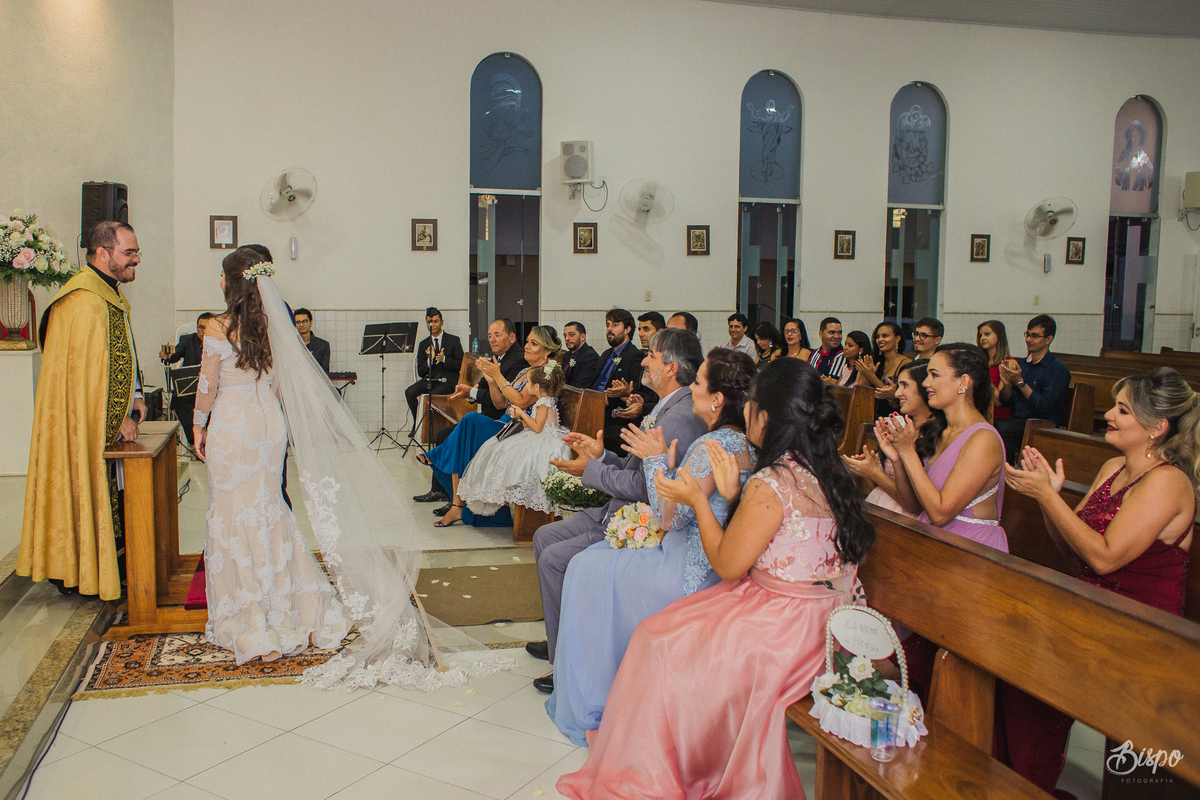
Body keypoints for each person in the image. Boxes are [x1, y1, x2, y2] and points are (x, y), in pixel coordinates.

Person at [191, 247, 512, 688]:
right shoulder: (271, 325)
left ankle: (250, 613)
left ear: (230, 282)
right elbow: (283, 382)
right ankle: (292, 605)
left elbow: (207, 384)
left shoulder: (218, 326)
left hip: (234, 422)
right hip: (268, 425)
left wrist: (198, 424)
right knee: (269, 509)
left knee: (234, 512)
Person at [557, 358, 875, 799]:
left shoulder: (773, 479)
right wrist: (728, 495)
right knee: (671, 630)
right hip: (832, 614)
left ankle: (678, 761)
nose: (746, 412)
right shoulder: (825, 469)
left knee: (658, 639)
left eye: (753, 406)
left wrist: (698, 500)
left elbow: (727, 565)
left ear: (766, 415)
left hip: (789, 626)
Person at [999, 367, 1195, 793]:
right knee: (1019, 682)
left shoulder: (1168, 482)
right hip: (1092, 615)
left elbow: (1104, 559)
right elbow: (1076, 553)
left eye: (1122, 410)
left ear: (1157, 427)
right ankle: (1024, 784)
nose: (1108, 414)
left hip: (1142, 635)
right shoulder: (1111, 467)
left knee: (1135, 775)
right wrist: (1050, 502)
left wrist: (1050, 497)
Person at [546, 348, 757, 744]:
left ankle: (601, 694)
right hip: (706, 556)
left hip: (686, 568)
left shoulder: (712, 445)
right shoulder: (735, 440)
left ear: (717, 399)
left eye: (698, 382)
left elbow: (668, 517)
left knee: (585, 569)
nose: (691, 387)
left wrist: (655, 460)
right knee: (591, 561)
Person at [528, 329, 707, 691]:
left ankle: (569, 663)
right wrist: (600, 455)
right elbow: (636, 466)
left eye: (651, 356)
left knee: (554, 559)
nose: (643, 360)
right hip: (616, 507)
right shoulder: (666, 405)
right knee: (543, 535)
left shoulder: (679, 417)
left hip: (639, 520)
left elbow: (651, 487)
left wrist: (591, 471)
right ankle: (561, 639)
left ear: (670, 367)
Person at [19, 220, 147, 599]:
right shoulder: (83, 302)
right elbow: (86, 381)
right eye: (129, 253)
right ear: (102, 253)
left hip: (108, 422)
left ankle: (107, 565)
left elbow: (118, 358)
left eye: (137, 252)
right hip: (84, 426)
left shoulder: (108, 295)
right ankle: (79, 569)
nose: (136, 260)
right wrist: (117, 417)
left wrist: (135, 396)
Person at [875, 343, 1007, 703]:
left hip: (968, 553)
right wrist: (898, 460)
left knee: (936, 658)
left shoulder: (982, 439)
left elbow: (942, 510)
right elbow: (913, 502)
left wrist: (907, 451)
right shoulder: (943, 430)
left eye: (934, 374)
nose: (927, 383)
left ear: (964, 382)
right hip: (936, 544)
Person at [423, 325, 558, 527]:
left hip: (520, 429)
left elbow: (521, 402)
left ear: (547, 350)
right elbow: (501, 403)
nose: (527, 346)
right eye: (528, 341)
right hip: (505, 423)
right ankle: (457, 505)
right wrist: (493, 383)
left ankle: (452, 490)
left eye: (534, 343)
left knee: (470, 421)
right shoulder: (525, 370)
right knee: (469, 426)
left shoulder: (544, 373)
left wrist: (498, 376)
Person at [411, 317, 527, 507]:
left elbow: (503, 400)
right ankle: (442, 491)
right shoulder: (497, 357)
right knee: (443, 433)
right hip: (488, 416)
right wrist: (468, 391)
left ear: (512, 337)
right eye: (490, 336)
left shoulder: (518, 360)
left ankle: (454, 496)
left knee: (451, 434)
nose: (492, 340)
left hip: (500, 421)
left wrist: (473, 392)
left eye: (498, 335)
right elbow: (481, 387)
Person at [458, 361, 570, 517]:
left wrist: (521, 414)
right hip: (539, 434)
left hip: (546, 439)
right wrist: (520, 421)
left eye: (529, 383)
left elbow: (537, 427)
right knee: (500, 447)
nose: (527, 387)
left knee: (511, 453)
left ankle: (513, 499)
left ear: (536, 387)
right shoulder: (543, 400)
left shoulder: (544, 402)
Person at [843, 359, 931, 517]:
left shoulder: (935, 436)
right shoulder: (898, 426)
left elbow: (914, 505)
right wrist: (868, 468)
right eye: (898, 386)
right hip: (878, 506)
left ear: (925, 388)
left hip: (906, 520)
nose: (897, 393)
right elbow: (878, 485)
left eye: (905, 386)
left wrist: (874, 472)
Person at [995, 314, 1072, 463]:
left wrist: (1020, 383)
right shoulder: (1023, 364)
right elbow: (1006, 400)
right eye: (1027, 335)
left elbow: (1044, 406)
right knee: (987, 423)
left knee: (1004, 429)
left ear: (1049, 339)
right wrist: (1007, 384)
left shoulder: (1057, 369)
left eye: (1035, 336)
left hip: (1042, 425)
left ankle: (1008, 475)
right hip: (1018, 420)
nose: (1029, 340)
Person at [591, 308, 645, 454]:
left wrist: (608, 399)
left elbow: (636, 393)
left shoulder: (635, 356)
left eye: (615, 325)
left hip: (614, 417)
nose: (609, 329)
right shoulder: (606, 354)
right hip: (593, 410)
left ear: (628, 329)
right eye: (608, 325)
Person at [404, 307, 464, 435]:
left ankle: (432, 429)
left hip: (448, 381)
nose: (432, 324)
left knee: (434, 396)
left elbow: (461, 365)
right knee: (410, 392)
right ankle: (418, 424)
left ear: (442, 322)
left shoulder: (453, 340)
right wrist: (429, 360)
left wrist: (444, 359)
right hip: (431, 379)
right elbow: (421, 372)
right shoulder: (423, 344)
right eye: (429, 322)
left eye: (435, 321)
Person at [161, 312, 212, 446]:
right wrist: (169, 356)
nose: (204, 331)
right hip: (191, 390)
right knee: (179, 399)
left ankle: (211, 440)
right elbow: (176, 355)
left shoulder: (218, 343)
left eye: (207, 327)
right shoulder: (187, 340)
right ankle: (195, 439)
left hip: (211, 390)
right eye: (201, 327)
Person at [856, 321, 910, 417]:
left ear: (897, 338)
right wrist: (865, 374)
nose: (880, 340)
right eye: (878, 337)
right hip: (871, 414)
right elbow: (861, 391)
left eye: (885, 336)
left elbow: (893, 400)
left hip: (894, 415)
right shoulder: (875, 361)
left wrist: (871, 376)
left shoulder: (905, 364)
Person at [977, 319, 1017, 423]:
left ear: (999, 336)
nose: (983, 338)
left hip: (998, 417)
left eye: (987, 334)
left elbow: (999, 401)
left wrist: (985, 376)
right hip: (979, 414)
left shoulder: (1008, 362)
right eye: (981, 335)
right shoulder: (980, 361)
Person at [808, 316, 849, 384]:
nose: (837, 336)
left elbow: (832, 385)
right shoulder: (815, 353)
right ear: (821, 334)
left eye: (839, 333)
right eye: (832, 332)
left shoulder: (842, 355)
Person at [562, 320, 600, 389]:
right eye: (565, 336)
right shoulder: (567, 355)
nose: (567, 338)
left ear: (582, 336)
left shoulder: (590, 356)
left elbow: (581, 386)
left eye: (572, 335)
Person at [292, 308, 330, 374]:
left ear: (311, 322)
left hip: (316, 382)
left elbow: (325, 370)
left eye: (305, 321)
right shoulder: (291, 344)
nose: (301, 325)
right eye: (298, 322)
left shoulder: (323, 345)